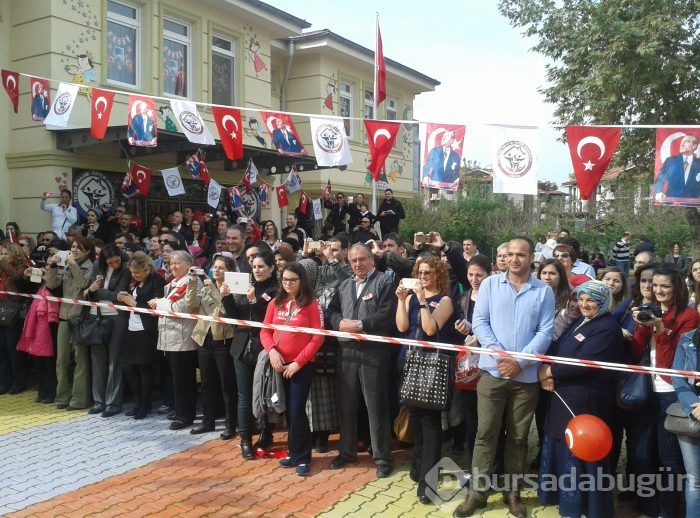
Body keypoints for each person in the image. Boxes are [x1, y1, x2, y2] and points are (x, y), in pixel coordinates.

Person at [453, 236, 555, 518]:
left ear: (531, 257)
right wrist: (502, 357)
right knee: (485, 434)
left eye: (521, 255)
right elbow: (481, 323)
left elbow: (546, 332)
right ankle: (477, 494)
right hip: (492, 373)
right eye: (510, 254)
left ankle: (513, 494)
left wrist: (520, 361)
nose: (515, 259)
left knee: (518, 438)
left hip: (525, 378)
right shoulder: (489, 285)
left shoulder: (543, 292)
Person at [537, 281, 624, 517]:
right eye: (581, 299)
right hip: (565, 399)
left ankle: (588, 508)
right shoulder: (581, 321)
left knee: (583, 453)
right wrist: (545, 365)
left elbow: (586, 363)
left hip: (587, 403)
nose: (584, 304)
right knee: (563, 447)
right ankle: (565, 503)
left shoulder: (607, 327)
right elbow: (558, 349)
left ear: (604, 302)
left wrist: (549, 371)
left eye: (591, 300)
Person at [629, 263, 700, 517]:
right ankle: (647, 503)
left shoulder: (688, 316)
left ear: (676, 287)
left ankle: (669, 511)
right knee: (641, 453)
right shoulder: (648, 308)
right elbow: (637, 351)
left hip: (670, 391)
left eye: (664, 286)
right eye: (654, 284)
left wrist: (659, 329)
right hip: (644, 389)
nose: (657, 290)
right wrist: (641, 324)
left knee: (669, 458)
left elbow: (671, 362)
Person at [327, 243, 397, 479]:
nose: (357, 264)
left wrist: (361, 325)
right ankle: (347, 452)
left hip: (373, 353)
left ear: (372, 259)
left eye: (362, 260)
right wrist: (338, 323)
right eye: (353, 261)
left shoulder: (384, 282)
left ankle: (382, 458)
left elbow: (387, 314)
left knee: (376, 406)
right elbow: (331, 311)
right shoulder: (344, 284)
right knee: (346, 405)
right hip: (346, 352)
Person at [395, 253, 454, 505]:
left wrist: (421, 301)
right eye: (419, 272)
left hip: (432, 365)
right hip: (408, 362)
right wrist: (401, 300)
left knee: (430, 422)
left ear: (437, 274)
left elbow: (430, 329)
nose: (422, 277)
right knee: (416, 418)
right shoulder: (409, 297)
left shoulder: (446, 300)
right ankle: (418, 466)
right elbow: (401, 327)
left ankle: (428, 482)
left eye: (427, 272)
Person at [260, 262, 324, 477]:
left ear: (301, 281)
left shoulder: (311, 304)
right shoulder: (276, 303)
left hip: (301, 366)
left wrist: (299, 362)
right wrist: (272, 352)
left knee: (297, 410)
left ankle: (304, 457)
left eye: (292, 280)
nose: (288, 283)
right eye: (285, 279)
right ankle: (294, 454)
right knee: (286, 410)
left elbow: (318, 337)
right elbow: (265, 331)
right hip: (278, 363)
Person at [223, 251, 279, 458]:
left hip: (264, 349)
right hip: (241, 346)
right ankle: (245, 438)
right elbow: (235, 316)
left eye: (261, 266)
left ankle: (267, 432)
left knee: (265, 394)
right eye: (254, 267)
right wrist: (227, 297)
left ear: (271, 268)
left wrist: (254, 301)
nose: (257, 270)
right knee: (244, 395)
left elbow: (266, 320)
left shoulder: (276, 290)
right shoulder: (247, 286)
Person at [185, 255, 236, 439]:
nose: (217, 270)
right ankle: (208, 421)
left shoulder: (231, 288)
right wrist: (192, 282)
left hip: (223, 339)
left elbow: (225, 311)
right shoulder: (207, 285)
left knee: (226, 383)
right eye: (215, 267)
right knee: (206, 382)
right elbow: (191, 305)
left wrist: (214, 289)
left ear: (229, 270)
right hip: (203, 338)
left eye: (221, 267)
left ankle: (231, 424)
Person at [149, 250, 200, 430]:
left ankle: (186, 415)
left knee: (184, 380)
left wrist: (160, 302)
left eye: (178, 263)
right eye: (171, 263)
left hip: (182, 339)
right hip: (168, 337)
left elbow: (180, 308)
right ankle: (180, 410)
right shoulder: (172, 284)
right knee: (174, 379)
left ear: (188, 264)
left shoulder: (192, 281)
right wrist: (162, 302)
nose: (174, 267)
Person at [45, 236, 95, 410]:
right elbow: (51, 284)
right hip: (65, 316)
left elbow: (83, 284)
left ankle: (80, 399)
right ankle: (62, 397)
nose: (73, 250)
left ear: (88, 251)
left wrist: (73, 264)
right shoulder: (66, 264)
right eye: (72, 247)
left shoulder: (91, 266)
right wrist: (52, 266)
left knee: (81, 359)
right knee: (61, 359)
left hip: (81, 317)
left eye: (78, 248)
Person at [116, 252, 166, 419]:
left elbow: (156, 309)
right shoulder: (133, 282)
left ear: (147, 269)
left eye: (137, 272)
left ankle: (145, 403)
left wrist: (134, 303)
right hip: (131, 328)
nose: (134, 275)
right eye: (132, 272)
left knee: (144, 368)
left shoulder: (157, 282)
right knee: (127, 366)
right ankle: (139, 400)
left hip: (147, 330)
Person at [84, 244, 131, 417]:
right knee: (97, 360)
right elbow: (89, 292)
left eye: (116, 261)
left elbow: (121, 296)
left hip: (116, 317)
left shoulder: (126, 268)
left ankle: (113, 402)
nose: (114, 265)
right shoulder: (98, 265)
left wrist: (99, 291)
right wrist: (93, 290)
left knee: (115, 361)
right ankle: (98, 401)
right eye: (110, 263)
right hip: (96, 316)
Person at [671, 328, 700, 516]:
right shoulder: (687, 337)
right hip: (692, 416)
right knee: (695, 479)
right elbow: (678, 379)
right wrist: (694, 408)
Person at [0, 243, 30, 394]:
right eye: (1, 253)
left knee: (13, 349)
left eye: (6, 253)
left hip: (13, 312)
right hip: (1, 309)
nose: (3, 256)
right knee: (2, 349)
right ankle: (4, 381)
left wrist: (3, 263)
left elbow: (16, 277)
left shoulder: (21, 268)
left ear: (14, 254)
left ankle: (18, 381)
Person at [654, 133, 700, 200]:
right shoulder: (670, 161)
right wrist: (659, 192)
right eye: (682, 141)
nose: (682, 144)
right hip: (671, 204)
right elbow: (660, 179)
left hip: (692, 206)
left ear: (694, 146)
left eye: (686, 141)